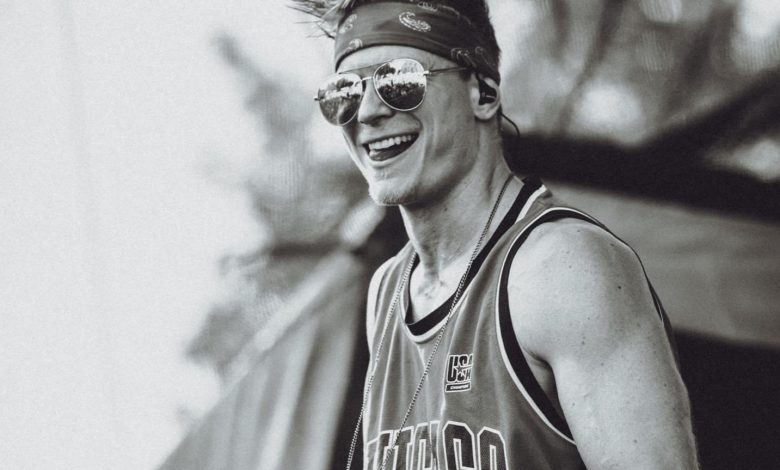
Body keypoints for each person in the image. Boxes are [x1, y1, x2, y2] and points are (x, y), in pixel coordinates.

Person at [296, 1, 699, 468]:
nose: (367, 112)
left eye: (399, 81)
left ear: (483, 94)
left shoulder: (563, 269)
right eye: (344, 91)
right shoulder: (386, 294)